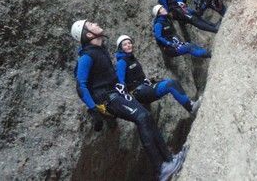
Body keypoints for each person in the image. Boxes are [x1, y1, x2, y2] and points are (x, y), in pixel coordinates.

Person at [71, 19, 185, 181]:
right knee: (142, 117)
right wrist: (93, 109)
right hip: (108, 99)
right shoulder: (87, 56)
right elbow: (81, 86)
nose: (96, 23)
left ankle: (169, 159)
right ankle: (162, 169)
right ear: (88, 34)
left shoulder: (99, 50)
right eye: (91, 25)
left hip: (115, 94)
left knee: (146, 116)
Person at [115, 35, 202, 116]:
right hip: (138, 93)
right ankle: (191, 108)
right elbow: (120, 82)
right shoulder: (121, 62)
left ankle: (190, 105)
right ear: (120, 48)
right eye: (125, 44)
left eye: (129, 43)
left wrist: (148, 80)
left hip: (143, 88)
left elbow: (136, 76)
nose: (128, 45)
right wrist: (127, 98)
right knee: (171, 84)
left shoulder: (131, 58)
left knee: (172, 82)